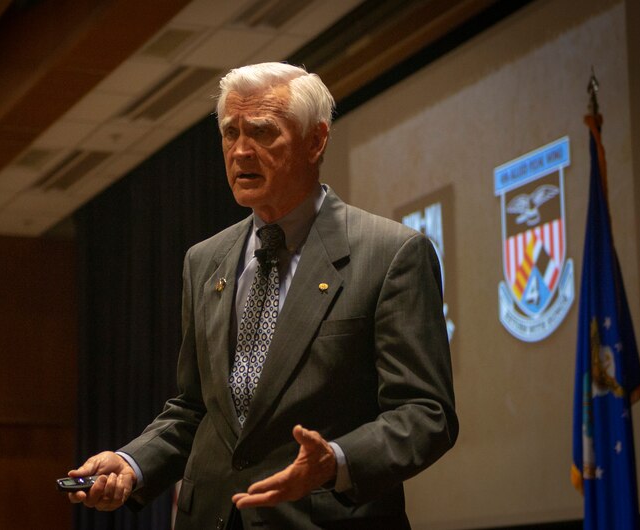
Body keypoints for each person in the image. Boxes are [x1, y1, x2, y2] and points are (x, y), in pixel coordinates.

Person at [68, 62, 458, 529]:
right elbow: (196, 408)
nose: (240, 151)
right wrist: (133, 464)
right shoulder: (204, 260)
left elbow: (426, 413)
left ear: (316, 141)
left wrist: (335, 461)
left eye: (262, 133)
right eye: (230, 133)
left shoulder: (392, 254)